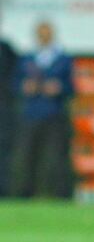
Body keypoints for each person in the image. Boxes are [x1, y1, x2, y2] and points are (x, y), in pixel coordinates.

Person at [13, 20, 73, 198]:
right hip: (31, 114)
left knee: (57, 158)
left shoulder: (63, 59)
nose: (43, 36)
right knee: (27, 156)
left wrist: (59, 88)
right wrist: (25, 87)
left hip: (55, 113)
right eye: (40, 33)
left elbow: (72, 86)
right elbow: (14, 83)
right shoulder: (27, 58)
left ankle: (61, 194)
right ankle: (25, 193)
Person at [0, 29, 19, 197]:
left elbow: (16, 80)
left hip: (3, 111)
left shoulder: (6, 50)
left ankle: (3, 192)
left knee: (3, 152)